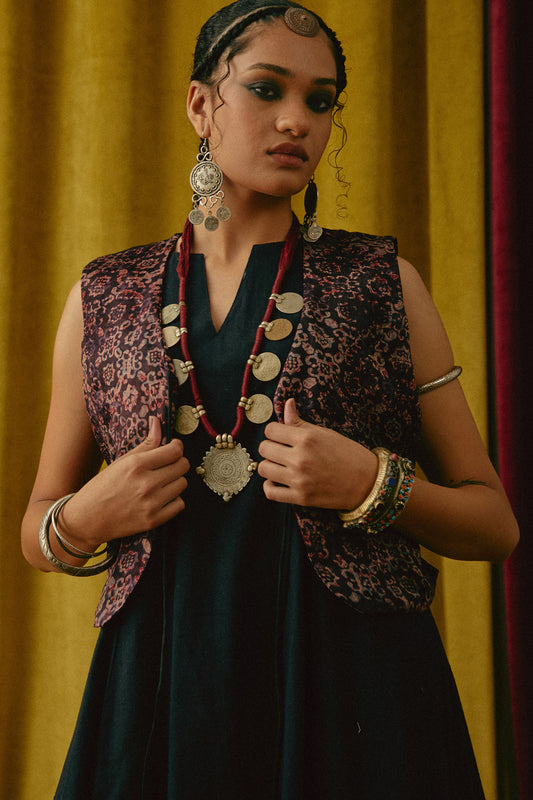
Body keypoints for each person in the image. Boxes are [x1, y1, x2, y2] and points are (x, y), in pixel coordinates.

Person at [21, 1, 519, 797]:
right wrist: (85, 517)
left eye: (320, 101)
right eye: (265, 89)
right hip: (159, 691)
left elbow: (493, 524)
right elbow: (37, 526)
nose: (296, 121)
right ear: (200, 105)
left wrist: (372, 484)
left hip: (354, 696)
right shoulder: (103, 295)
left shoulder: (381, 285)